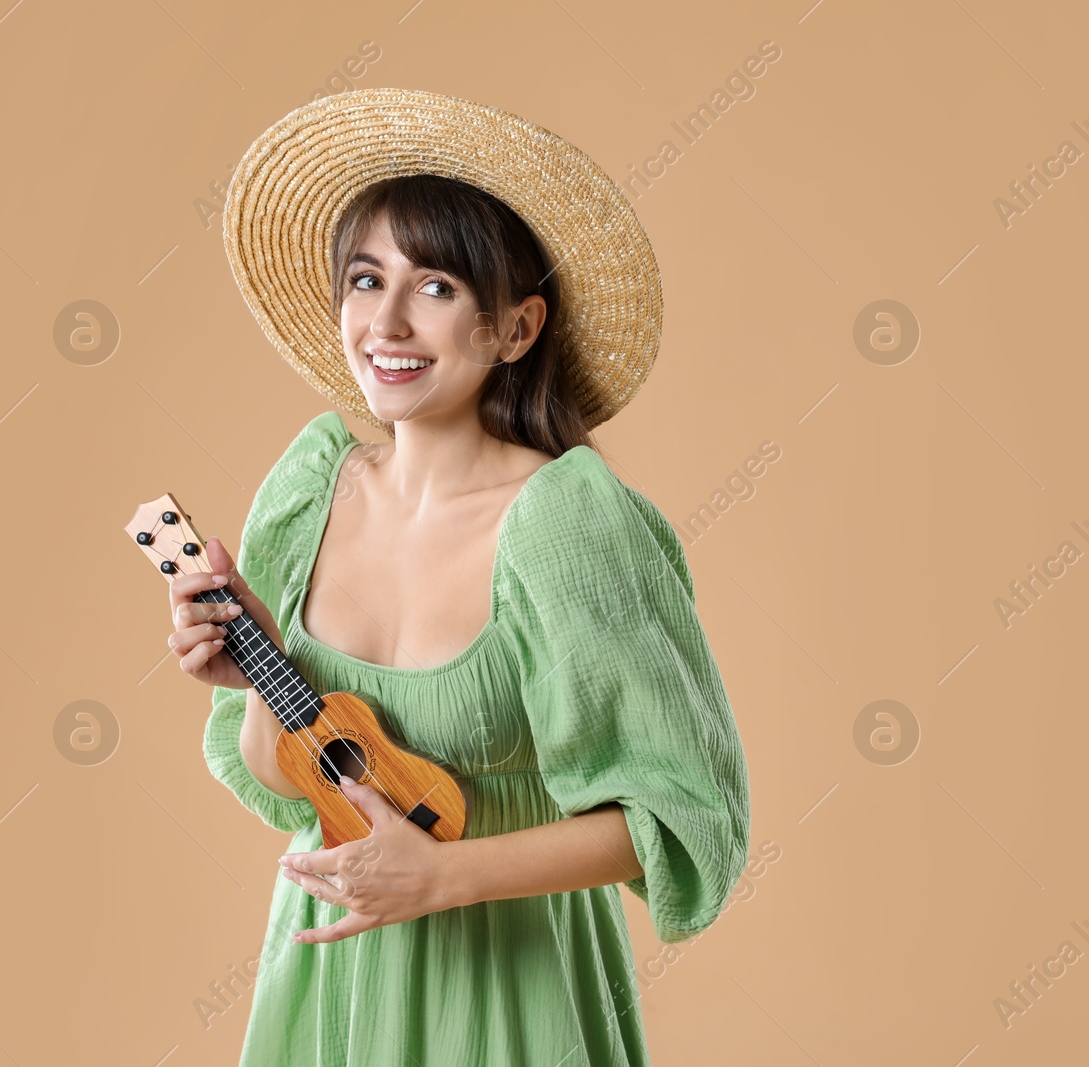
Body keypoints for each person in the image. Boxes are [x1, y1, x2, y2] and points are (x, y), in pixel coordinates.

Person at [162, 89, 751, 1066]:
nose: (384, 320)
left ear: (514, 328)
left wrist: (437, 878)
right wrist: (258, 674)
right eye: (363, 277)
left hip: (512, 982)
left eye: (434, 286)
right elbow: (291, 778)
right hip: (327, 967)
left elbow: (677, 812)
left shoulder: (567, 523)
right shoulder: (307, 493)